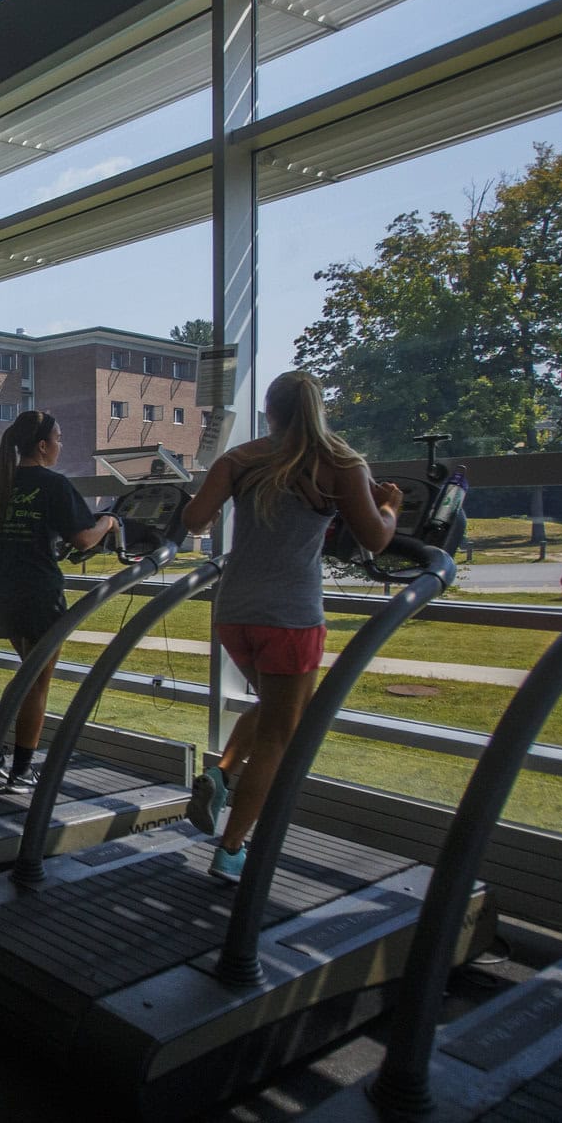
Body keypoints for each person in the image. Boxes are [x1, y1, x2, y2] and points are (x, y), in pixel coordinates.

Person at [180, 373, 401, 882]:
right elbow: (374, 538)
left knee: (277, 706)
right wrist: (390, 505)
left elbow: (194, 520)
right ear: (319, 409)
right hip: (292, 617)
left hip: (234, 612)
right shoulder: (341, 463)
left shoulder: (240, 459)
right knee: (283, 732)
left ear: (269, 410)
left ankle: (222, 772)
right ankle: (232, 847)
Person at [0, 411, 121, 794]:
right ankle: (21, 769)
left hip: (5, 591)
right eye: (58, 438)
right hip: (39, 593)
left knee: (28, 675)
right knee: (37, 682)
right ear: (42, 445)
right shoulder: (53, 485)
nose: (60, 445)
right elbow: (85, 540)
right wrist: (111, 523)